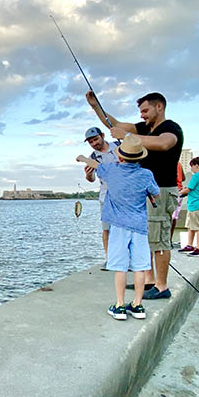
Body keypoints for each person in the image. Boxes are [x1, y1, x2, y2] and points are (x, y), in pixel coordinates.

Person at [86, 90, 183, 300]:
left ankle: (161, 286)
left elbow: (164, 143)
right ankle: (148, 281)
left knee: (159, 240)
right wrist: (96, 106)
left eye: (145, 110)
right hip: (143, 194)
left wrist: (129, 138)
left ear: (160, 107)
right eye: (140, 112)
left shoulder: (170, 128)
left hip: (162, 190)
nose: (142, 115)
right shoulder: (144, 128)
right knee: (145, 237)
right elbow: (115, 125)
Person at [77, 134, 159, 320]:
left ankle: (120, 305)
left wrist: (82, 159)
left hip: (118, 227)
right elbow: (156, 193)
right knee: (140, 267)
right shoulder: (146, 174)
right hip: (139, 226)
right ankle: (138, 306)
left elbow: (97, 167)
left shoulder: (111, 170)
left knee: (120, 267)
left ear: (120, 156)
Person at [82, 126, 120, 261]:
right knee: (107, 229)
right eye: (91, 142)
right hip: (106, 197)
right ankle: (108, 258)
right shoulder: (91, 158)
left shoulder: (119, 145)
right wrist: (88, 175)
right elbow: (91, 180)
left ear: (103, 135)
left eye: (96, 139)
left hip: (125, 196)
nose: (94, 144)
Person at [177, 156, 199, 256]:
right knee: (190, 226)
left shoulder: (196, 176)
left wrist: (178, 193)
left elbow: (188, 189)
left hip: (195, 204)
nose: (191, 168)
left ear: (196, 165)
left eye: (192, 166)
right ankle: (189, 245)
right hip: (196, 203)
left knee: (198, 227)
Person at [170, 161, 185, 242]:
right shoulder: (179, 163)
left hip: (172, 190)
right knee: (174, 217)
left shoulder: (169, 163)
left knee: (169, 216)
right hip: (179, 190)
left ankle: (167, 240)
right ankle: (170, 239)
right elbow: (183, 177)